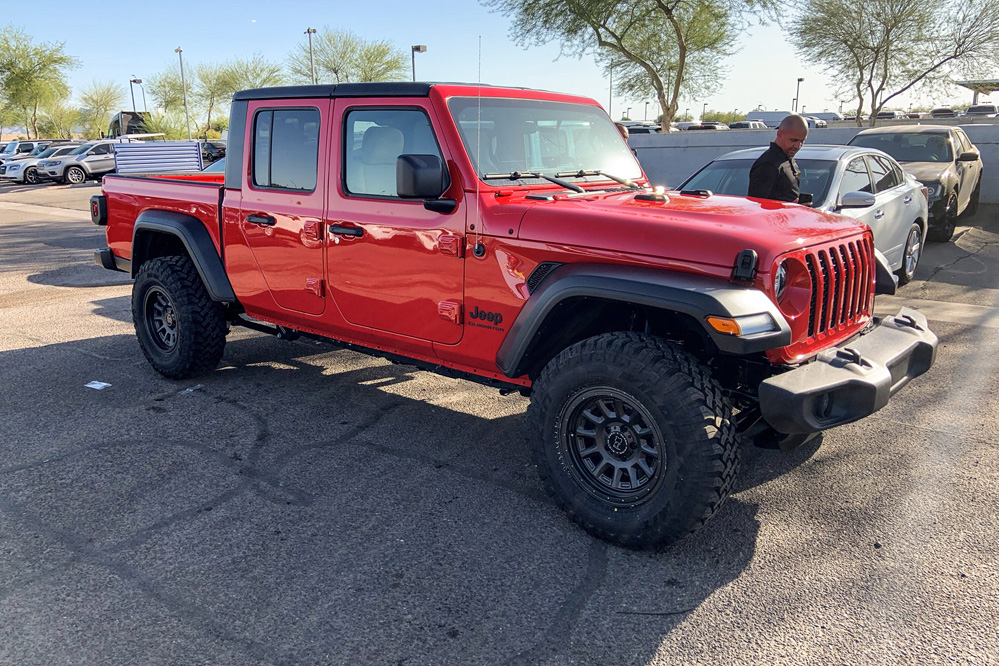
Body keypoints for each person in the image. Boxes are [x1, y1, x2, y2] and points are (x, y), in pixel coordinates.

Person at [748, 114, 808, 202]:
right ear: (779, 134)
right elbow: (757, 206)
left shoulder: (787, 159)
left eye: (802, 141)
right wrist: (789, 207)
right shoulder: (768, 164)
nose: (798, 146)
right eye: (793, 140)